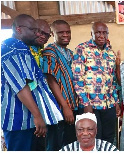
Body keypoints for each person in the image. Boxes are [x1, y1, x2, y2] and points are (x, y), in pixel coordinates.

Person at [1, 14, 63, 151]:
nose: (37, 34)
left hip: (26, 120)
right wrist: (37, 115)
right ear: (19, 29)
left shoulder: (21, 48)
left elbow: (31, 83)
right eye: (33, 30)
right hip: (20, 120)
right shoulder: (14, 48)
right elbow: (21, 86)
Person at [72, 21, 121, 144]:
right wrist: (85, 103)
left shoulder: (110, 52)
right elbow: (78, 78)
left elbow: (112, 80)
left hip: (108, 104)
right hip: (91, 105)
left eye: (104, 33)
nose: (101, 36)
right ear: (92, 34)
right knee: (94, 138)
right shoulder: (82, 49)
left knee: (109, 137)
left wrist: (116, 102)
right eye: (98, 32)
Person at [42, 20, 79, 151]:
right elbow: (51, 80)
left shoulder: (69, 53)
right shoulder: (50, 52)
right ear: (53, 33)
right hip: (60, 109)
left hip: (72, 106)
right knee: (58, 145)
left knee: (71, 144)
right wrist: (65, 107)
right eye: (61, 32)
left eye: (68, 32)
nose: (65, 35)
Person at [30, 19, 51, 151]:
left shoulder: (40, 50)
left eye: (46, 34)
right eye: (39, 32)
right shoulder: (24, 51)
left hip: (40, 105)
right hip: (29, 108)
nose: (43, 36)